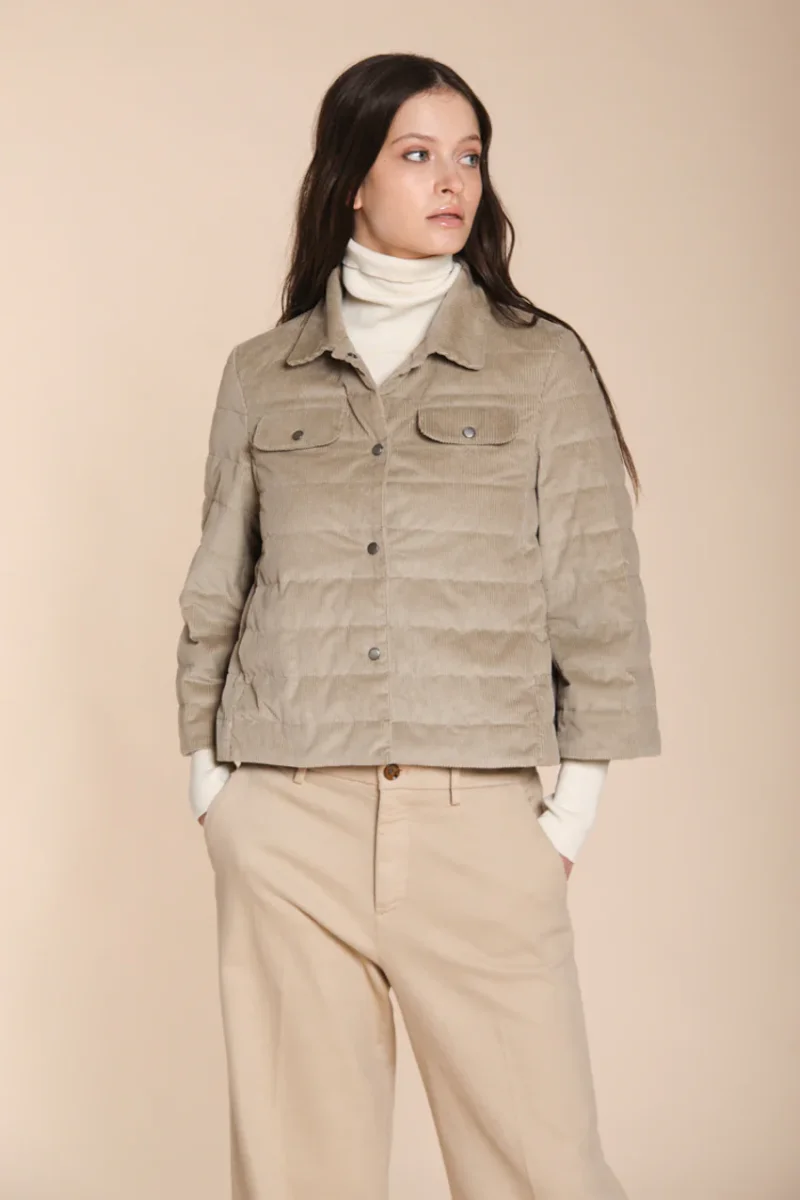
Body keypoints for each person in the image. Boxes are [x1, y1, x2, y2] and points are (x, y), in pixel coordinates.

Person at [175, 51, 661, 1200]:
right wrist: (211, 786)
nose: (452, 181)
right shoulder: (262, 374)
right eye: (417, 153)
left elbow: (596, 593)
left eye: (469, 156)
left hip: (474, 821)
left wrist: (566, 814)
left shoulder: (538, 365)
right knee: (297, 1175)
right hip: (286, 818)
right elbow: (217, 588)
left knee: (541, 1168)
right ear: (353, 178)